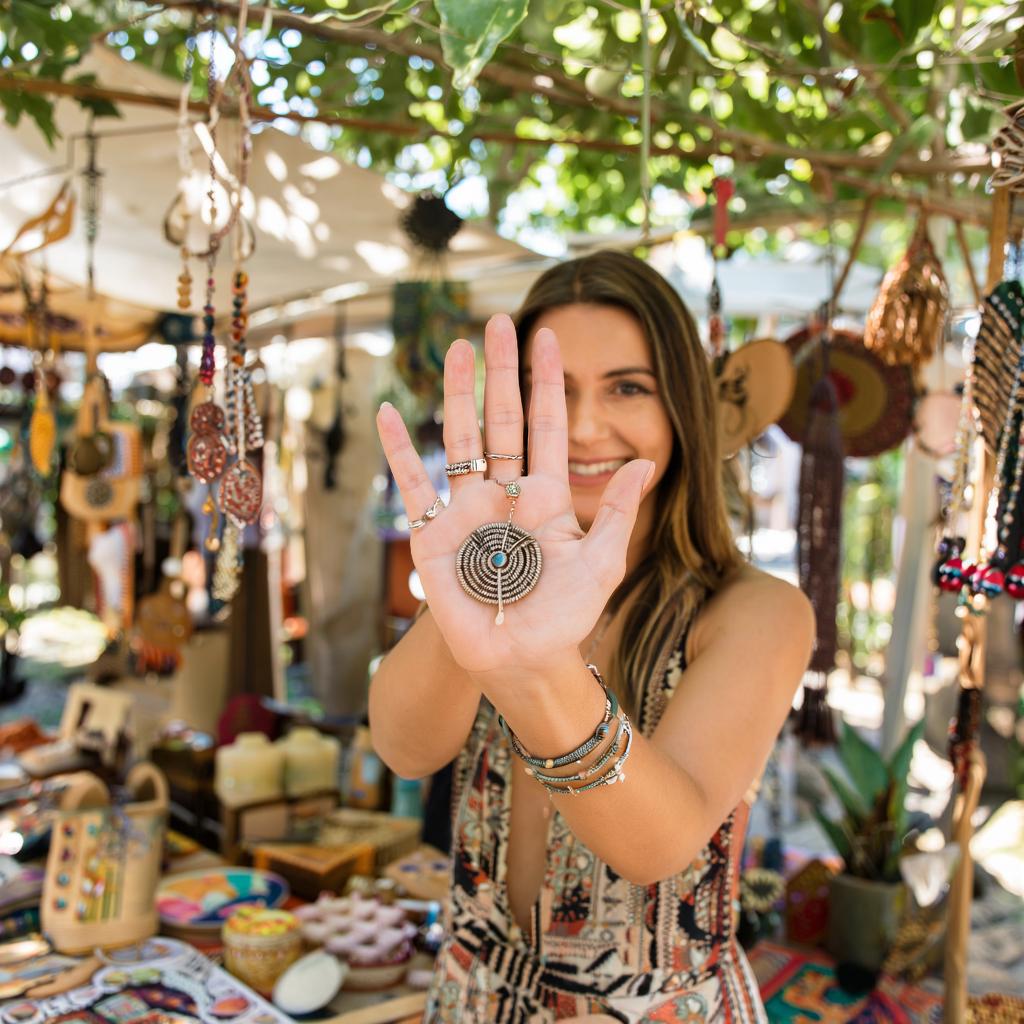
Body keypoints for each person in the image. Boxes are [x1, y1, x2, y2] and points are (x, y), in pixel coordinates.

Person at [371, 251, 814, 1022]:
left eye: (627, 387)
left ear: (683, 405)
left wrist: (542, 664)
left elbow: (656, 845)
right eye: (553, 389)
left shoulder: (754, 611)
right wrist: (476, 591)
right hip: (472, 1000)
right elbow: (406, 750)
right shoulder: (494, 572)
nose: (581, 427)